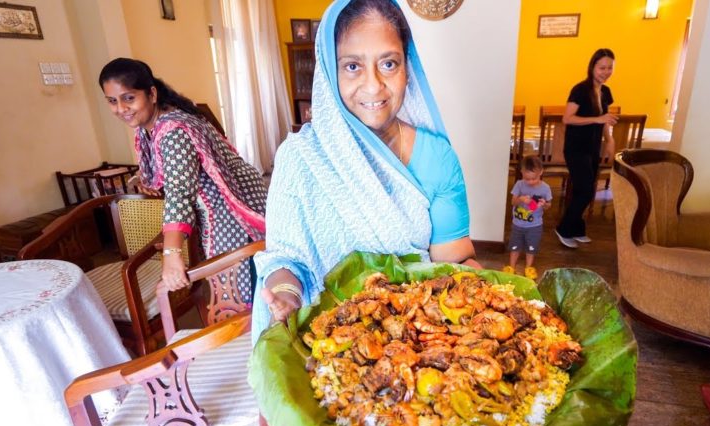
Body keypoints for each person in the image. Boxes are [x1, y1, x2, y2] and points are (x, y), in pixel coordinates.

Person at [252, 0, 479, 339]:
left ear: (407, 68)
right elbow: (286, 258)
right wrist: (287, 296)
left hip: (412, 338)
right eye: (353, 67)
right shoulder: (300, 158)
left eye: (388, 63)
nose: (373, 86)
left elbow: (455, 262)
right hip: (325, 343)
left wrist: (490, 291)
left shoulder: (437, 158)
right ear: (330, 70)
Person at [98, 58, 267, 299]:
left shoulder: (174, 129)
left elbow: (180, 192)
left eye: (129, 98)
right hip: (218, 206)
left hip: (232, 209)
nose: (121, 109)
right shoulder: (150, 126)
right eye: (112, 101)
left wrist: (172, 253)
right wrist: (142, 180)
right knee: (235, 282)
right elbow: (166, 170)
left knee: (243, 287)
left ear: (151, 94)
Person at [555, 48, 618, 249]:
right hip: (575, 148)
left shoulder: (606, 92)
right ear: (592, 67)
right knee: (583, 190)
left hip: (592, 148)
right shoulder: (580, 90)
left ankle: (577, 228)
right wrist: (597, 119)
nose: (605, 72)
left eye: (609, 68)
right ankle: (564, 228)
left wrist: (609, 140)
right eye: (602, 67)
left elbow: (605, 120)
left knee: (589, 189)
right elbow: (568, 118)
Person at [503, 155, 552, 280]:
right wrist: (520, 199)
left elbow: (548, 206)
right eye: (527, 178)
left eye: (533, 179)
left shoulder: (545, 188)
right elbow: (513, 202)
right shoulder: (519, 185)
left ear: (541, 172)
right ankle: (511, 267)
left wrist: (544, 204)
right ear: (522, 173)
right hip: (517, 224)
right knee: (514, 246)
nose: (530, 182)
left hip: (534, 226)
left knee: (531, 248)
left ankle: (529, 267)